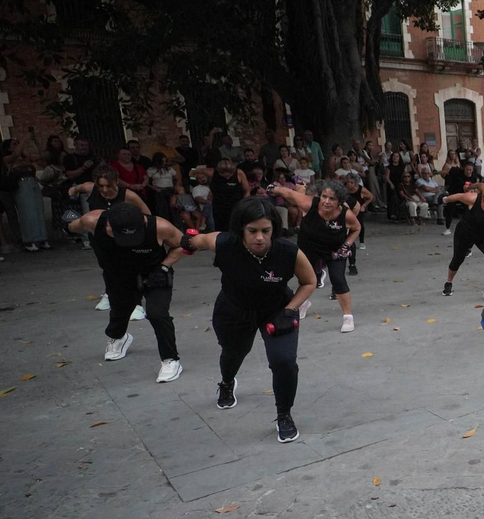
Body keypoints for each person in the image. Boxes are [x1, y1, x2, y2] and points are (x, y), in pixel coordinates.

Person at [180, 197, 317, 443]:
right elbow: (197, 240)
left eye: (266, 231)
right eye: (252, 231)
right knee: (233, 353)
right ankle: (227, 382)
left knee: (284, 361)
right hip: (234, 309)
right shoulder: (225, 243)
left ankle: (284, 415)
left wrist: (291, 309)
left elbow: (309, 282)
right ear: (241, 229)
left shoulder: (288, 251)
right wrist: (184, 241)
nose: (260, 238)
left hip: (277, 310)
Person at [67, 203, 187, 381]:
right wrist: (67, 224)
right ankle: (118, 337)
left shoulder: (160, 226)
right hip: (117, 274)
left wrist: (163, 267)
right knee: (120, 309)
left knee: (157, 314)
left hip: (153, 273)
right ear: (108, 225)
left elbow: (182, 245)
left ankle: (171, 360)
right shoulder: (92, 221)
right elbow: (72, 225)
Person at [271, 180, 360, 333]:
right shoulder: (309, 204)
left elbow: (356, 228)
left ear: (339, 201)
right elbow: (289, 193)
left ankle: (348, 317)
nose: (326, 201)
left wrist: (347, 245)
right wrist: (274, 189)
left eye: (332, 198)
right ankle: (303, 303)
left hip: (334, 248)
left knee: (338, 279)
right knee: (305, 278)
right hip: (309, 247)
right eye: (324, 196)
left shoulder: (346, 214)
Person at [442, 178, 484, 299]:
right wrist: (445, 199)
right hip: (465, 232)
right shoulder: (473, 199)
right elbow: (458, 196)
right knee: (458, 259)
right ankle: (449, 282)